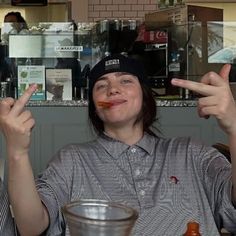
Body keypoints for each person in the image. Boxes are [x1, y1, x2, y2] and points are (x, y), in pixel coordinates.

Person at [0, 54, 236, 235]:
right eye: (101, 85)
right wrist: (17, 152)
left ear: (145, 96)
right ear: (94, 105)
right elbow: (31, 227)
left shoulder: (190, 153)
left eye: (125, 81)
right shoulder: (72, 160)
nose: (113, 89)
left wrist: (235, 128)